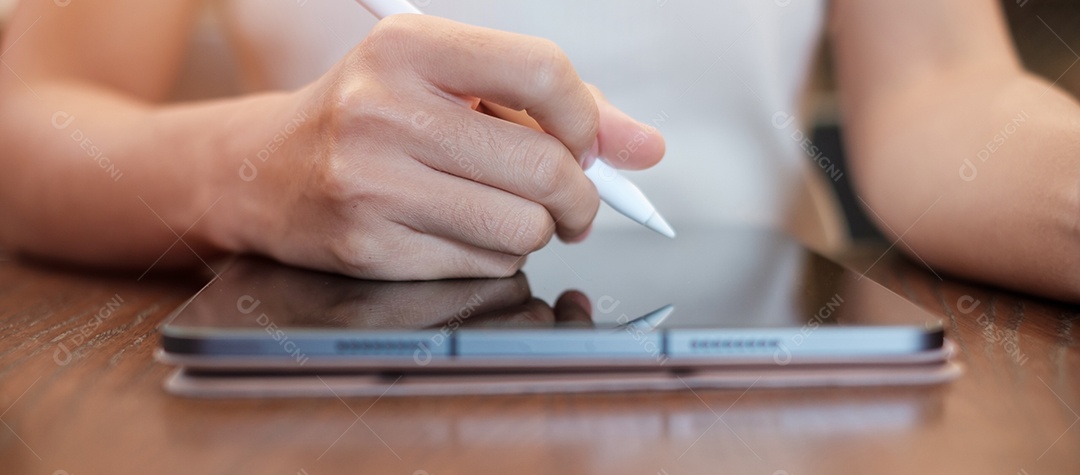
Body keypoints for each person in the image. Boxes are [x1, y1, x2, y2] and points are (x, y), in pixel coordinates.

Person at [0, 1, 1078, 301]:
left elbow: (944, 87)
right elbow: (28, 117)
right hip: (336, 379)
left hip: (771, 382)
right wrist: (246, 168)